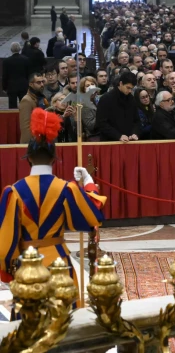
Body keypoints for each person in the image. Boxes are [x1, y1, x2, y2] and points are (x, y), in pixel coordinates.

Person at [0, 108, 106, 290]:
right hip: (60, 264)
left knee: (30, 315)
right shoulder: (67, 189)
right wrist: (88, 183)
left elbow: (6, 242)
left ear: (28, 160)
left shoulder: (13, 192)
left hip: (28, 266)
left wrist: (7, 271)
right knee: (65, 315)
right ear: (54, 160)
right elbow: (93, 216)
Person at [96, 71, 141, 142]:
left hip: (129, 141)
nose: (129, 91)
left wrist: (135, 133)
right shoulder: (106, 99)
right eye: (128, 87)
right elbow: (101, 123)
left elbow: (137, 121)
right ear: (121, 83)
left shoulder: (131, 99)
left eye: (131, 89)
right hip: (110, 142)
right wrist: (118, 135)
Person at [18, 73, 48, 144]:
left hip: (42, 140)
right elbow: (25, 127)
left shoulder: (42, 98)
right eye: (38, 82)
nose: (42, 85)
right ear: (31, 84)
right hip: (32, 143)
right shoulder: (26, 100)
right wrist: (29, 145)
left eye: (42, 82)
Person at [2, 42, 31, 109]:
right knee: (24, 105)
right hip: (23, 85)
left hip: (11, 86)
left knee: (12, 106)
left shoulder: (6, 61)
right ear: (20, 49)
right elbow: (28, 73)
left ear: (11, 49)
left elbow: (5, 76)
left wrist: (4, 87)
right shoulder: (26, 59)